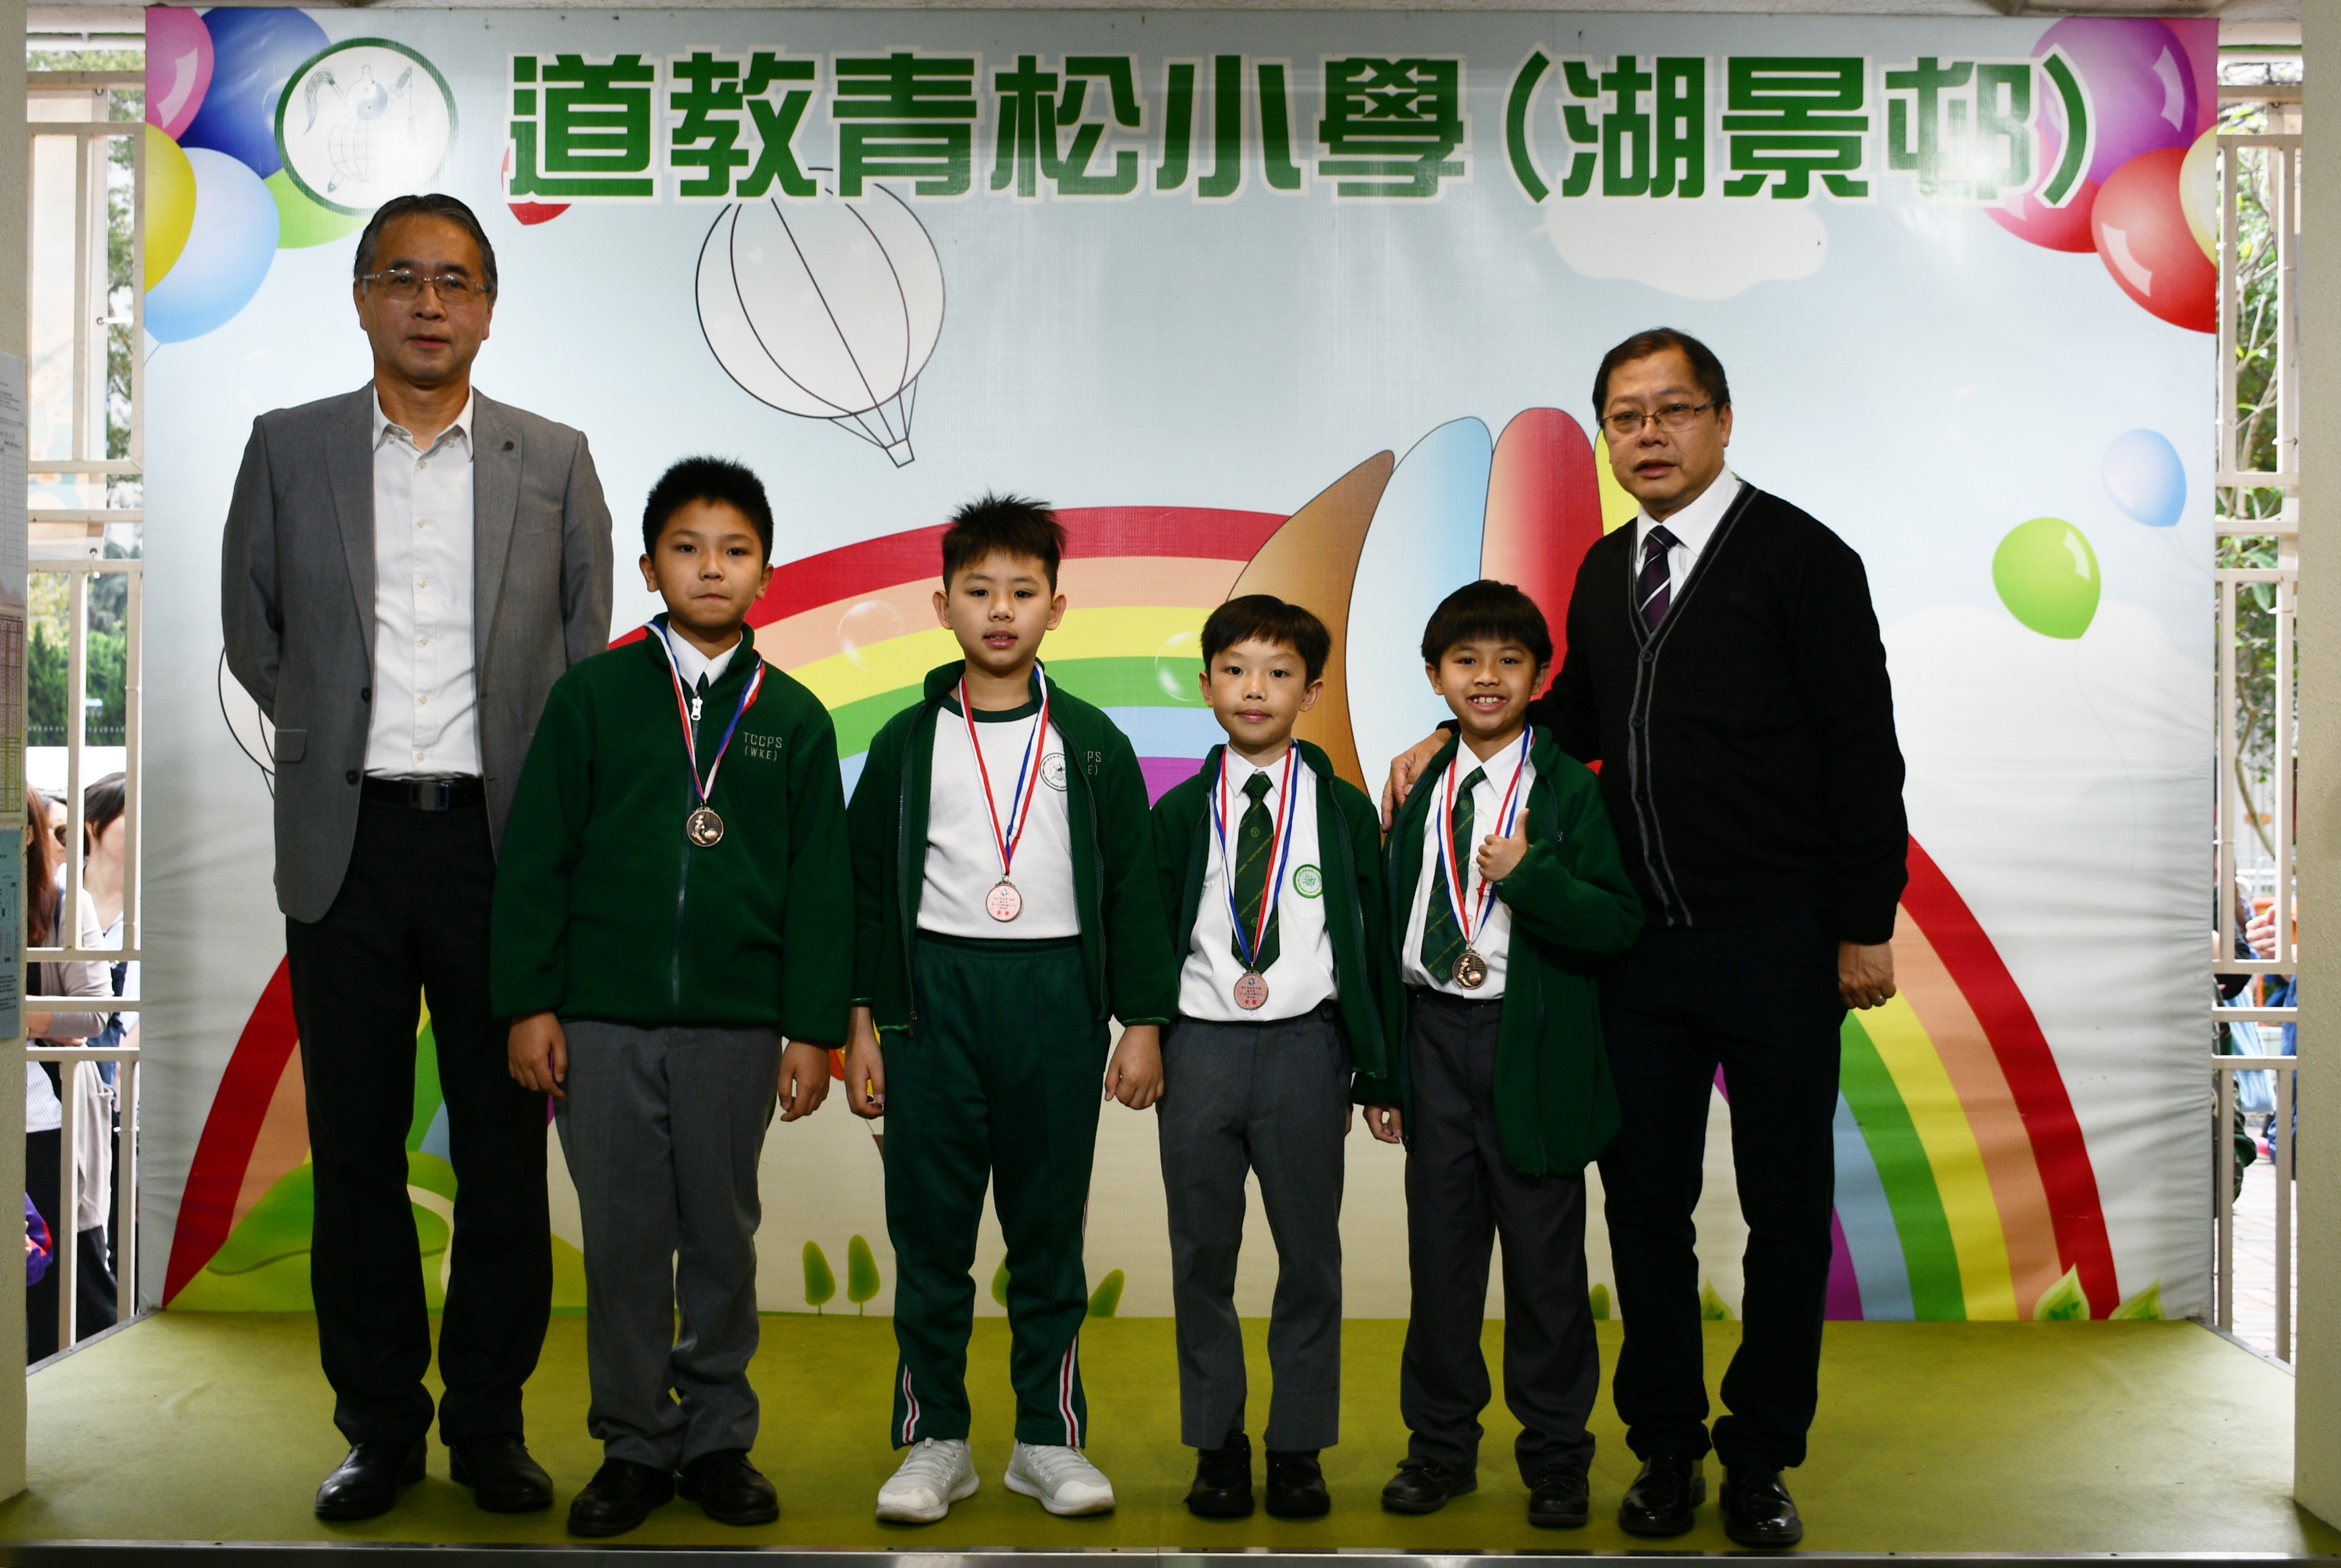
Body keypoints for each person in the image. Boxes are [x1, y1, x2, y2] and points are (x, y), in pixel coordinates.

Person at [1382, 329, 1906, 1548]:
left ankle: (1759, 1456)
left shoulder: (1805, 558)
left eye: (1673, 410)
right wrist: (1445, 739)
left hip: (1779, 943)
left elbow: (1860, 745)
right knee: (1643, 1209)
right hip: (1638, 956)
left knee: (1785, 1212)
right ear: (1608, 438)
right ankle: (1666, 1448)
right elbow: (1570, 713)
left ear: (1722, 419)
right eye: (1626, 416)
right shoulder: (1604, 568)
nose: (1649, 435)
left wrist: (1862, 923)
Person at [219, 191, 615, 1520]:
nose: (429, 303)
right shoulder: (289, 448)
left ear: (489, 308)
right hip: (349, 843)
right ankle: (380, 1427)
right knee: (356, 1149)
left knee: (503, 1150)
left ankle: (489, 1423)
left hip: (503, 848)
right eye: (403, 276)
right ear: (362, 298)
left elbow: (580, 652)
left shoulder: (553, 458)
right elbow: (255, 635)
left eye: (455, 280)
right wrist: (340, 733)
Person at [495, 457, 850, 1537]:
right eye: (687, 548)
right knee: (624, 1242)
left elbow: (820, 886)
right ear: (650, 568)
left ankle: (718, 1437)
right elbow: (538, 858)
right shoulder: (592, 697)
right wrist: (530, 1001)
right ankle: (634, 1442)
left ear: (767, 574)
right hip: (601, 1023)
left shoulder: (794, 716)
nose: (711, 568)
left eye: (735, 550)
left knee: (722, 1235)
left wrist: (812, 1030)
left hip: (737, 1031)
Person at [842, 494, 1176, 1524]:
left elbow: (1133, 892)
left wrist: (1143, 1022)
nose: (1000, 611)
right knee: (930, 1235)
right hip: (932, 1002)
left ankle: (1047, 1437)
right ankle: (935, 1437)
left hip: (1055, 997)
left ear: (1055, 609)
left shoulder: (1093, 742)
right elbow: (863, 891)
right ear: (941, 604)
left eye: (1022, 592)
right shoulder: (905, 742)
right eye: (978, 590)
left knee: (1047, 1235)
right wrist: (861, 1022)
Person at [1357, 581, 1641, 1527]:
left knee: (1545, 1270)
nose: (1487, 677)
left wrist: (1532, 877)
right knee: (1441, 1265)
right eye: (1465, 660)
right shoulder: (1416, 784)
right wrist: (1384, 1070)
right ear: (1433, 676)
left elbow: (1615, 924)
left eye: (1509, 661)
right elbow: (1387, 932)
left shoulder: (1571, 790)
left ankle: (1557, 1458)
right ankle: (1439, 1449)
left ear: (1541, 675)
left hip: (1532, 1044)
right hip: (1432, 1036)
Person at [1148, 595, 1391, 1521]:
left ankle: (1298, 1447)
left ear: (1312, 691)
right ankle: (1217, 1445)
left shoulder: (1342, 809)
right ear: (1206, 684)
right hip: (1199, 1049)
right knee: (1202, 1255)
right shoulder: (1179, 811)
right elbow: (1148, 933)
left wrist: (1375, 1071)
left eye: (1280, 672)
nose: (1256, 688)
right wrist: (1143, 1032)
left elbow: (1372, 946)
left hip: (1306, 1049)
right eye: (1237, 670)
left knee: (1310, 1257)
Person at [22, 784, 116, 1362]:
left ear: (27, 834)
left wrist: (19, 1016)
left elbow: (96, 1012)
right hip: (34, 1097)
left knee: (58, 1276)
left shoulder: (62, 903)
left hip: (44, 1114)